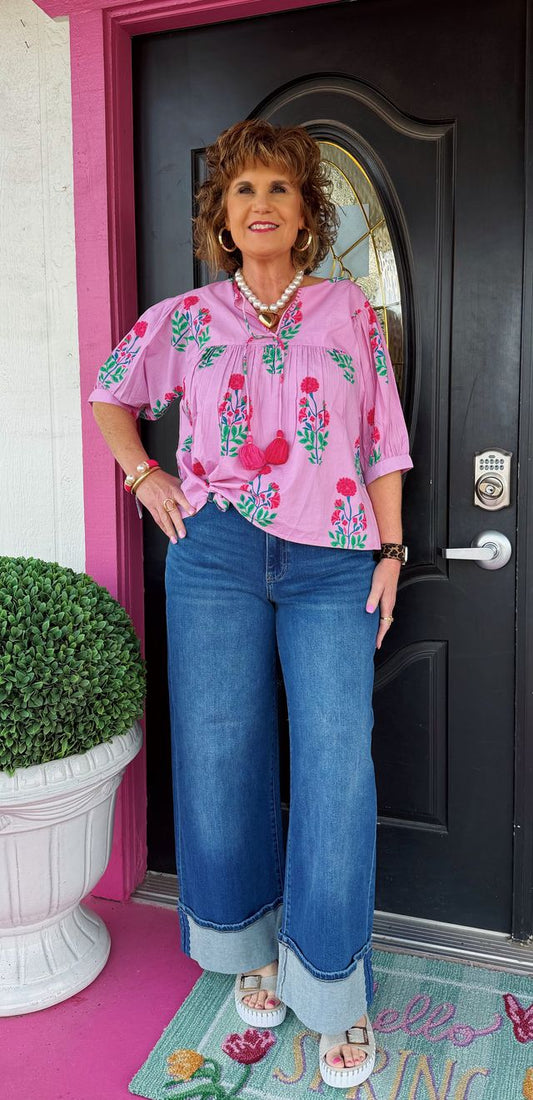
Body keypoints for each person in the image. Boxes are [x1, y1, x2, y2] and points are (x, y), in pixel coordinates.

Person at [89, 118, 413, 1089]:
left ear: (305, 212)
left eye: (279, 188)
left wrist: (390, 548)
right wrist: (143, 475)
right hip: (216, 553)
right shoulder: (187, 318)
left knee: (335, 767)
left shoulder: (347, 312)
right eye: (243, 190)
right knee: (220, 753)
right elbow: (110, 393)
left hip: (332, 559)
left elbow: (382, 439)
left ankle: (333, 988)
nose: (261, 203)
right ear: (222, 218)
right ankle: (247, 948)